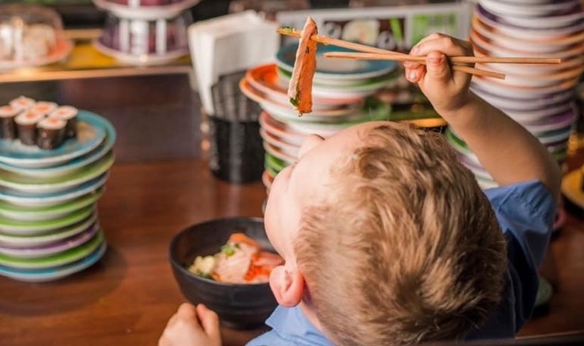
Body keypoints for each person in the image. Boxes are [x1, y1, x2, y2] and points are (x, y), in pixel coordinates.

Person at [158, 33, 561, 346]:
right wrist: (460, 107)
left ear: (287, 284)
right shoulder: (487, 294)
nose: (307, 140)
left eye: (295, 171)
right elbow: (535, 181)